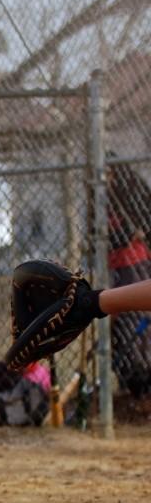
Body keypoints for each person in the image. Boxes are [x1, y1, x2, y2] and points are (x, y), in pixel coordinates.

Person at [105, 160, 151, 395]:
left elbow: (142, 227)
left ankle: (143, 371)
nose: (105, 178)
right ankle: (127, 376)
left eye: (109, 173)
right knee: (120, 321)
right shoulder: (102, 197)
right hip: (114, 266)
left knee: (137, 320)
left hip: (136, 263)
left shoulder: (131, 194)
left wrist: (139, 232)